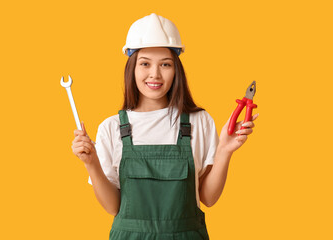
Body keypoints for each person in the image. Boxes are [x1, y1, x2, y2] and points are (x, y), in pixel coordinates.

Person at [71, 13, 258, 240]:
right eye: (145, 63)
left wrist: (224, 151)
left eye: (165, 64)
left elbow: (208, 198)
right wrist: (91, 163)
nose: (155, 74)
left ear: (176, 69)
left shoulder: (199, 122)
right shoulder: (111, 128)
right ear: (132, 67)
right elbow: (113, 207)